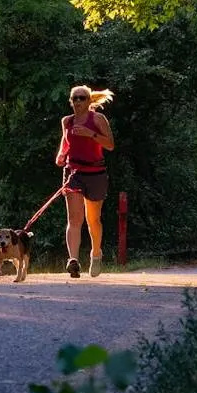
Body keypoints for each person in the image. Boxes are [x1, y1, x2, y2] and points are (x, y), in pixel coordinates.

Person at [55, 85, 115, 278]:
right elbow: (66, 143)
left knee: (93, 219)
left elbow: (110, 145)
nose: (78, 102)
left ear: (89, 101)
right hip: (74, 172)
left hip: (96, 172)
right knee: (74, 218)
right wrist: (61, 155)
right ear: (71, 102)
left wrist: (91, 134)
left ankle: (95, 254)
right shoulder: (67, 121)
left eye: (82, 98)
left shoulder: (97, 119)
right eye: (75, 99)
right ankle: (73, 260)